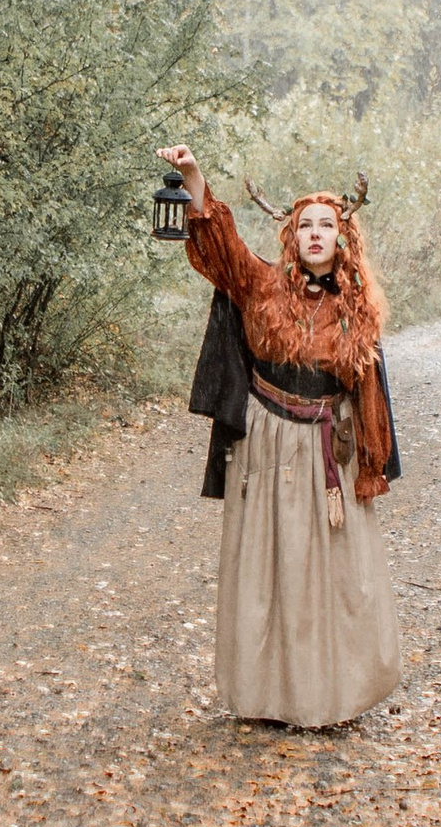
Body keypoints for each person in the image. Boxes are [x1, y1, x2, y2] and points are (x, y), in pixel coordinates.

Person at [157, 143, 403, 729]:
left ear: (342, 240)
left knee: (333, 575)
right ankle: (269, 696)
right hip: (267, 443)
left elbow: (367, 388)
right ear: (291, 238)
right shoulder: (262, 286)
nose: (315, 234)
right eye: (305, 226)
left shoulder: (359, 309)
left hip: (330, 452)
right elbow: (220, 249)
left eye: (327, 226)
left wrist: (369, 462)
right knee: (269, 569)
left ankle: (331, 698)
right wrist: (193, 175)